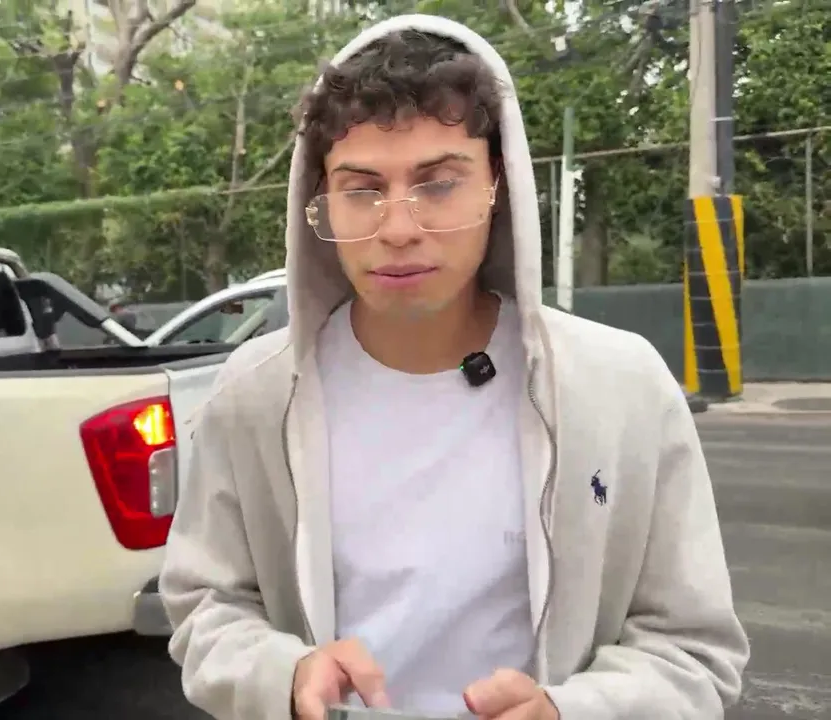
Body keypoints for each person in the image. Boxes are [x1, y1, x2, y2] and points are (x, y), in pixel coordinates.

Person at [158, 14, 749, 720]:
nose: (398, 228)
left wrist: (572, 710)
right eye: (362, 189)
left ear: (498, 185)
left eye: (438, 183)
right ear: (322, 200)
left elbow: (693, 649)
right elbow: (207, 605)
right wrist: (285, 675)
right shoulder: (257, 394)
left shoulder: (621, 386)